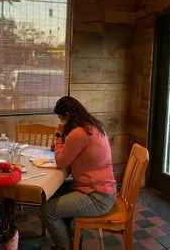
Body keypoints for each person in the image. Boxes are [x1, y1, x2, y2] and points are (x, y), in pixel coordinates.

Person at [38, 96, 117, 250]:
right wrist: (64, 145)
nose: (60, 122)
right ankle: (73, 240)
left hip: (97, 197)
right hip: (101, 189)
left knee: (46, 211)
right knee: (52, 192)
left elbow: (61, 162)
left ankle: (64, 247)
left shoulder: (79, 133)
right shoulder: (92, 126)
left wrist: (59, 134)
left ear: (67, 116)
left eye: (60, 118)